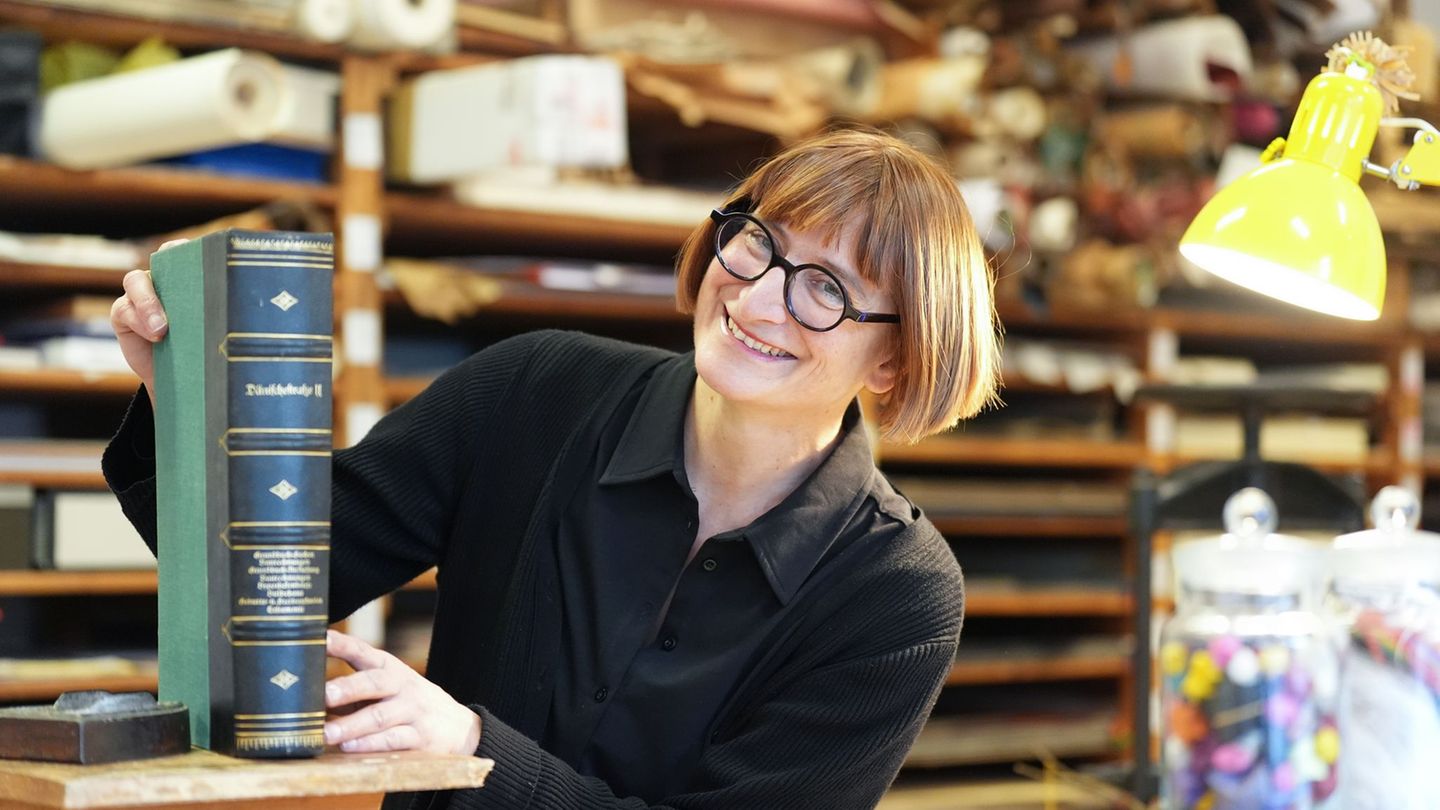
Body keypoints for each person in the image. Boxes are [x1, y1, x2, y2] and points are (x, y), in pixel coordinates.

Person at [103, 127, 1000, 809]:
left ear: (895, 362)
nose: (760, 297)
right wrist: (182, 394)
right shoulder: (536, 389)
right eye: (760, 242)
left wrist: (470, 748)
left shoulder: (896, 596)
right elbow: (282, 569)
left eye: (826, 288)